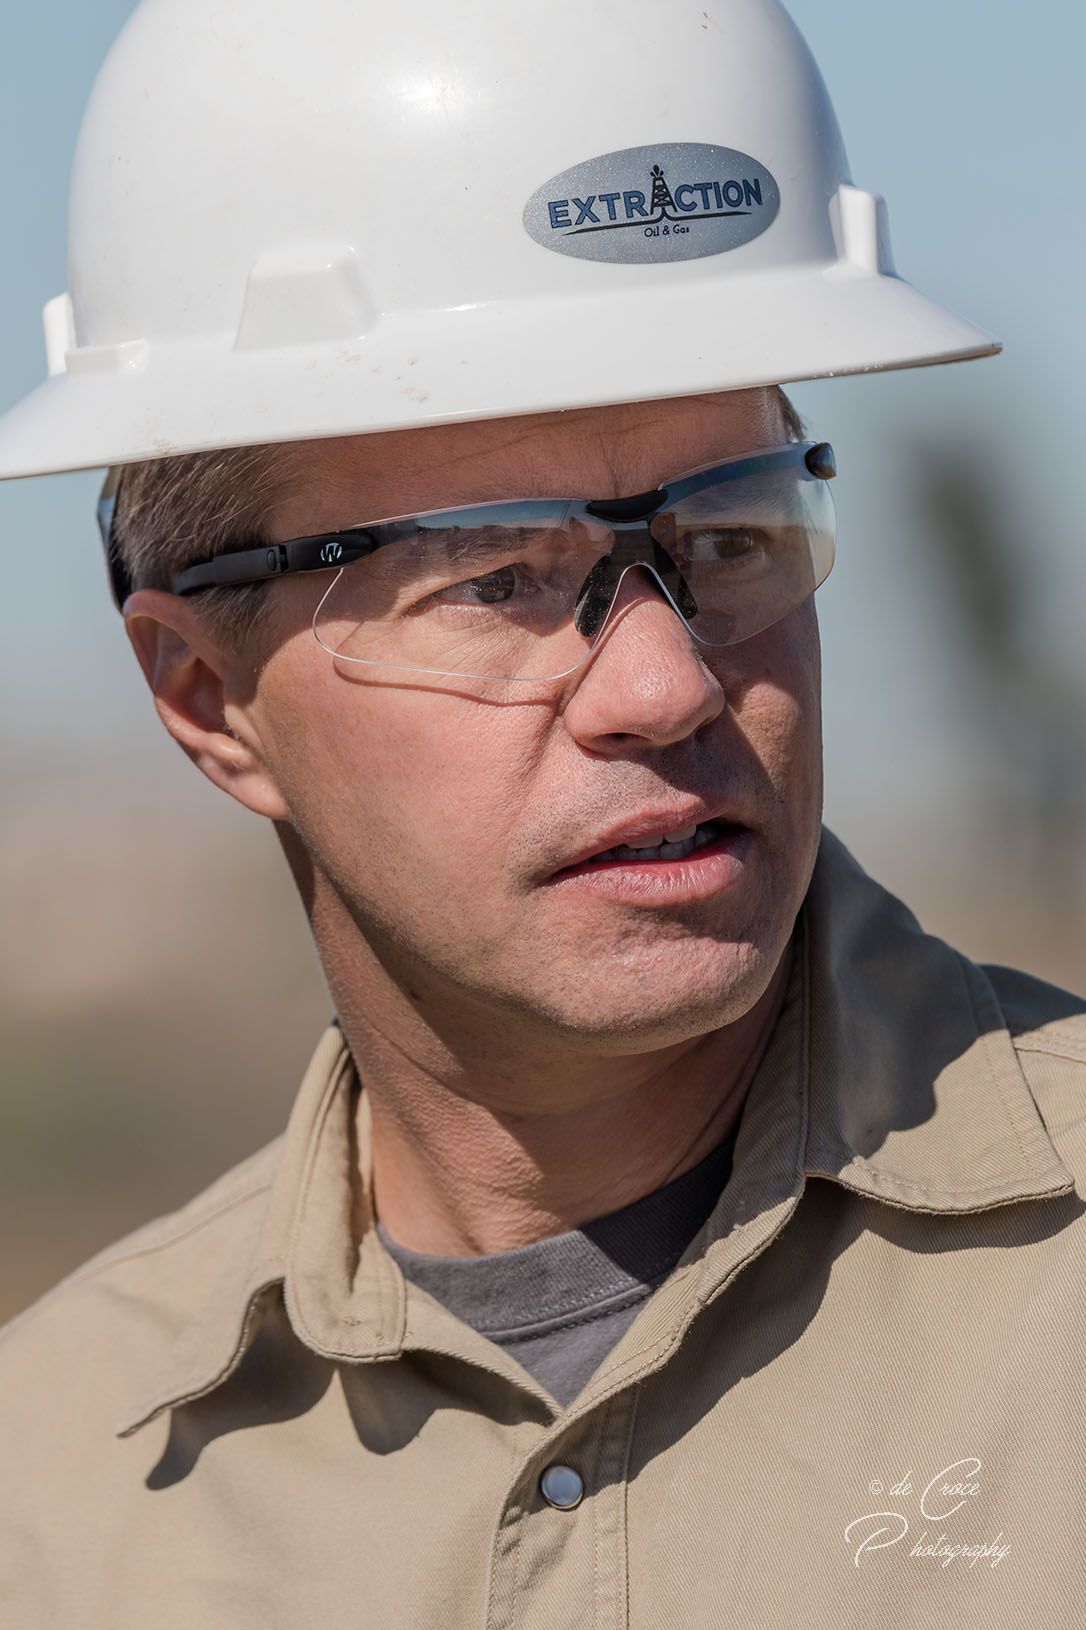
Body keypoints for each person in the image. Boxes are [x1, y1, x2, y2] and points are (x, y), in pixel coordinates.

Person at [1, 0, 1083, 1623]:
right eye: (493, 577)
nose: (665, 685)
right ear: (208, 700)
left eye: (727, 536)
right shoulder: (56, 1497)